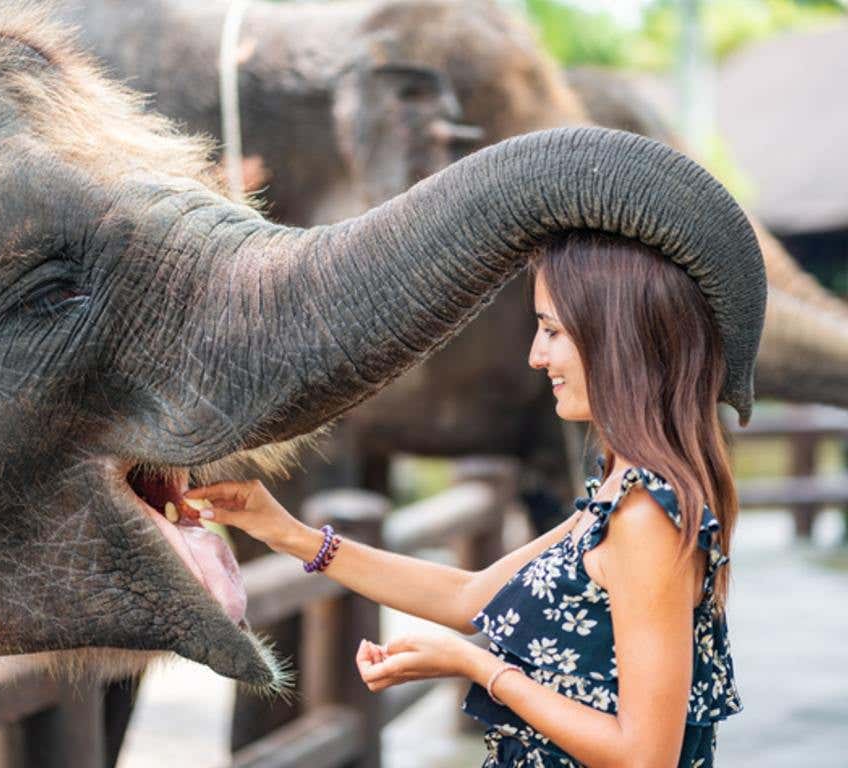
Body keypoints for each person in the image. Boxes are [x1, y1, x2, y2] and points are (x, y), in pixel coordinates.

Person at [185, 228, 754, 767]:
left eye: (552, 331)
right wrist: (290, 535)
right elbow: (469, 596)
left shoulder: (646, 514)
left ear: (615, 339)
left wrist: (475, 665)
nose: (536, 356)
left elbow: (644, 756)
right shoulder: (617, 495)